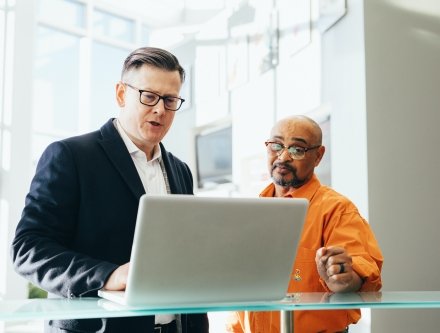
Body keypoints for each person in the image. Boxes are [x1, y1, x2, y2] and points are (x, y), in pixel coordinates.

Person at [11, 47, 208, 333]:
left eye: (170, 100)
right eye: (149, 96)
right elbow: (28, 249)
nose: (160, 110)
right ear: (120, 94)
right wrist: (109, 275)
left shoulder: (180, 170)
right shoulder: (70, 156)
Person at [226, 115, 383, 333]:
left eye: (297, 149)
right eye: (276, 146)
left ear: (318, 156)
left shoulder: (337, 209)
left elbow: (360, 271)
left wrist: (343, 279)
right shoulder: (253, 211)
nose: (283, 157)